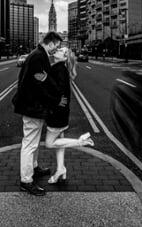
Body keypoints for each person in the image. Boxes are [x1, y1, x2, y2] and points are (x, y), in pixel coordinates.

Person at [12, 31, 66, 196]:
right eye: (56, 46)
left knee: (33, 142)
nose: (56, 49)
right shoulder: (38, 57)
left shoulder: (39, 55)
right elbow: (38, 85)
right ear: (50, 42)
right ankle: (26, 181)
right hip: (32, 107)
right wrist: (55, 100)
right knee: (29, 143)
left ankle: (34, 168)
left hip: (34, 106)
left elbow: (43, 80)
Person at [44, 47, 94, 184]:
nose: (57, 51)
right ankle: (61, 169)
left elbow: (56, 90)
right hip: (62, 111)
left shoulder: (58, 69)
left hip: (56, 113)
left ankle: (81, 141)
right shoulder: (61, 69)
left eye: (60, 51)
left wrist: (44, 79)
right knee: (60, 143)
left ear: (65, 57)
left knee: (49, 144)